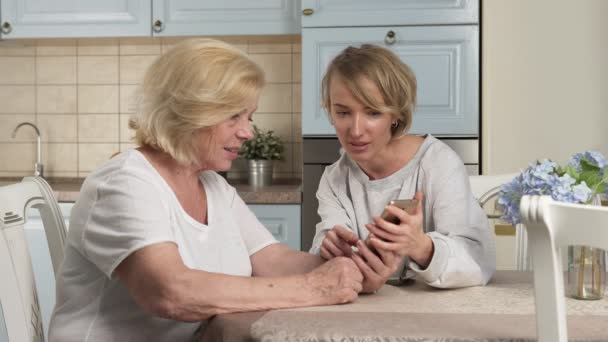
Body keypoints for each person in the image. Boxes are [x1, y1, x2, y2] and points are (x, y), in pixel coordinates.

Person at [48, 38, 363, 342]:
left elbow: (270, 259)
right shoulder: (124, 182)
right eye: (233, 116)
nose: (247, 132)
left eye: (249, 116)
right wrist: (313, 288)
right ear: (188, 112)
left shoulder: (212, 185)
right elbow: (170, 292)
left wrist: (350, 267)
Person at [309, 44, 495, 292]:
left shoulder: (439, 164)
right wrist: (329, 249)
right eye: (343, 112)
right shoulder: (334, 179)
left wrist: (421, 246)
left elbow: (476, 262)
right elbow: (326, 255)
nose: (355, 130)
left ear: (395, 114)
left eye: (373, 113)